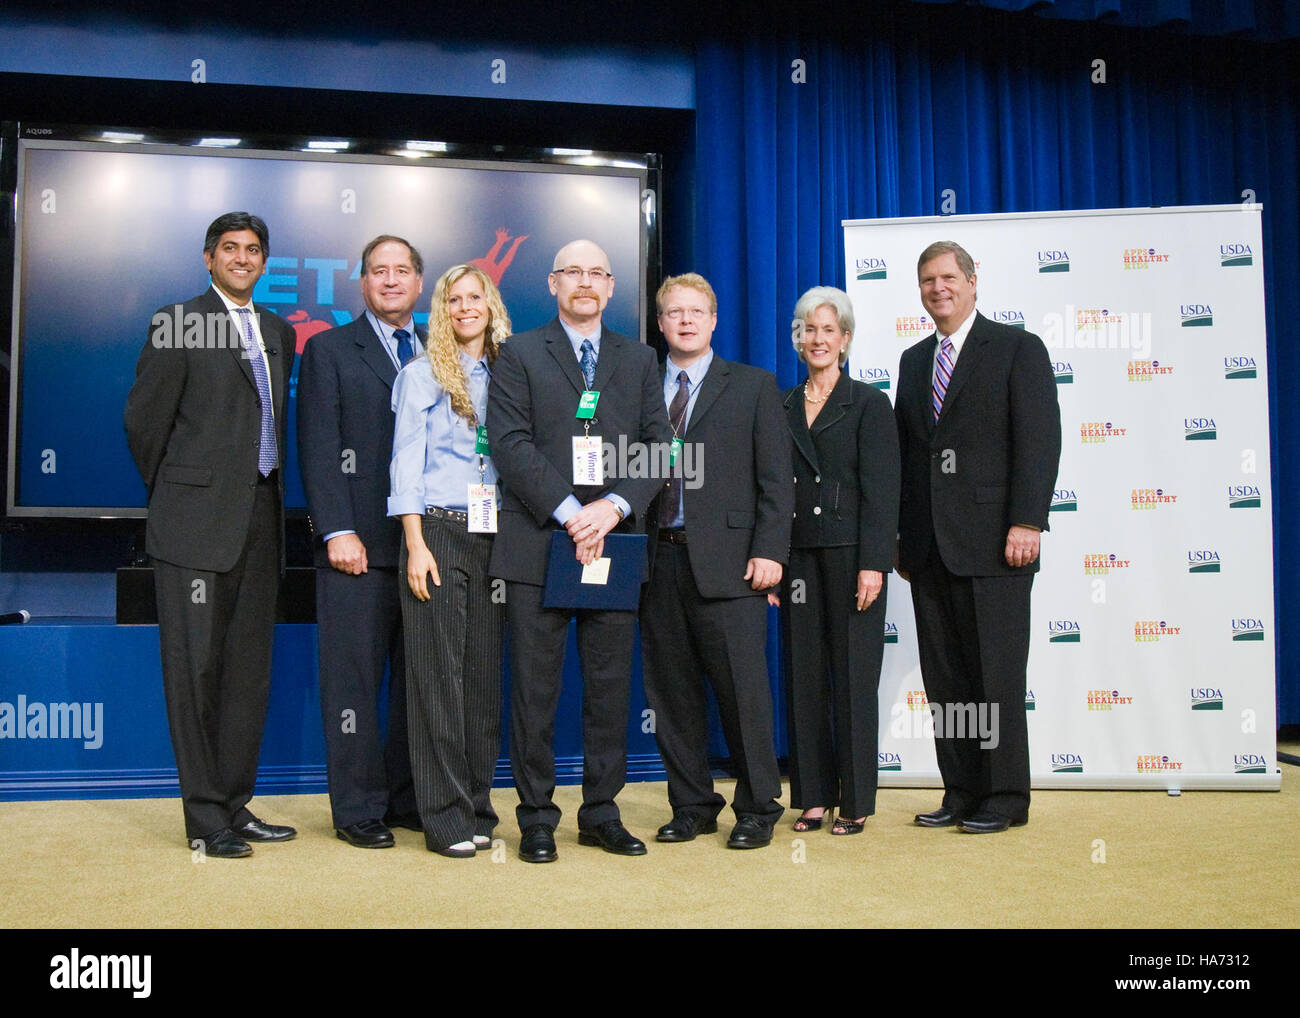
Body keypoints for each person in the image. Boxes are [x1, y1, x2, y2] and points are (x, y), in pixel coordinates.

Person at [486, 239, 673, 863]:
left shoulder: (641, 359)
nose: (585, 282)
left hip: (612, 545)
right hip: (538, 543)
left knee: (608, 687)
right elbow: (509, 443)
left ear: (613, 286)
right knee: (534, 691)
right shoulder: (517, 353)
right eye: (573, 272)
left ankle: (600, 813)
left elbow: (658, 448)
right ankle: (537, 817)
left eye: (597, 272)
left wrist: (611, 509)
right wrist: (572, 514)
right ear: (552, 282)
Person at [124, 211, 296, 858]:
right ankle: (205, 820)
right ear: (208, 258)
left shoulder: (279, 331)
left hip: (261, 521)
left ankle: (234, 803)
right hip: (194, 526)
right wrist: (180, 493)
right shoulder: (178, 321)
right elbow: (144, 424)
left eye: (254, 249)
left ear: (264, 262)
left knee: (247, 674)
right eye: (230, 248)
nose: (242, 258)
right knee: (194, 673)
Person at [895, 241, 1061, 834]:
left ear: (971, 281)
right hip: (928, 548)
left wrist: (1028, 520)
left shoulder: (1017, 348)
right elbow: (911, 457)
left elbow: (1039, 441)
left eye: (947, 277)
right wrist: (901, 537)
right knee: (947, 682)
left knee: (996, 676)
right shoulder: (914, 361)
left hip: (997, 543)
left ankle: (1006, 796)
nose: (937, 288)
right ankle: (961, 789)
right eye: (927, 280)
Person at [640, 273, 793, 849]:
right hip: (657, 562)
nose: (685, 320)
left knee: (743, 693)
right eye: (674, 312)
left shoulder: (753, 386)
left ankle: (757, 806)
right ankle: (693, 804)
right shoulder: (639, 384)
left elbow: (777, 482)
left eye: (696, 311)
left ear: (713, 320)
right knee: (672, 695)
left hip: (732, 564)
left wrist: (770, 551)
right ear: (660, 323)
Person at [297, 235, 422, 850]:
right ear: (363, 283)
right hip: (358, 550)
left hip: (427, 550)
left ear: (420, 284)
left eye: (402, 271)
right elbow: (318, 447)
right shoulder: (327, 350)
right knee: (352, 685)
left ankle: (405, 799)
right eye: (379, 271)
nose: (391, 280)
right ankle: (356, 809)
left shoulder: (440, 353)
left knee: (414, 685)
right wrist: (338, 531)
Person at [389, 264, 509, 858]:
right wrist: (414, 544)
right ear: (442, 310)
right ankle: (443, 817)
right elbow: (405, 464)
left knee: (482, 682)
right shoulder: (421, 375)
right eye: (453, 299)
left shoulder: (513, 371)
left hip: (497, 535)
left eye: (474, 297)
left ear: (491, 304)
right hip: (436, 530)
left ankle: (479, 806)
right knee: (439, 680)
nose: (465, 307)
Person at [781, 286, 899, 836]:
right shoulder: (780, 405)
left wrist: (874, 562)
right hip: (798, 557)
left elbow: (883, 492)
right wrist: (773, 561)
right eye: (809, 329)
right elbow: (772, 489)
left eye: (829, 330)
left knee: (853, 679)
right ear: (798, 339)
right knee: (805, 678)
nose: (818, 338)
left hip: (854, 558)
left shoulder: (870, 404)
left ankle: (855, 800)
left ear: (846, 339)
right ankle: (811, 796)